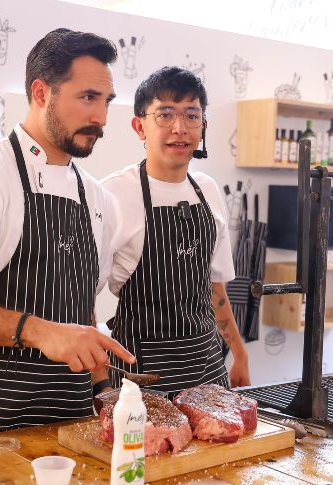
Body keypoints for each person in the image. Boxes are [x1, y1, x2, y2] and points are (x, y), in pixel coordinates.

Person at [0, 28, 135, 458]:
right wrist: (39, 331)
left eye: (106, 101)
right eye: (88, 98)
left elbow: (79, 304)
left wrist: (103, 388)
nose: (101, 118)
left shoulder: (96, 196)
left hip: (71, 421)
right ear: (40, 92)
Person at [97, 66, 250, 399]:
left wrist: (238, 352)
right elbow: (81, 296)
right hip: (140, 371)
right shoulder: (111, 195)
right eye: (165, 115)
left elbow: (214, 286)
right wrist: (99, 382)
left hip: (207, 366)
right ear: (140, 126)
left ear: (203, 126)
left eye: (191, 116)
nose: (179, 129)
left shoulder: (207, 190)